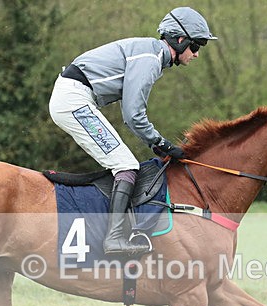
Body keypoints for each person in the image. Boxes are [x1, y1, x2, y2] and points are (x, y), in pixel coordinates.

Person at [49, 7, 217, 255]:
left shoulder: (150, 54)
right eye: (196, 45)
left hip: (75, 97)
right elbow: (133, 115)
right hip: (73, 100)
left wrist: (156, 144)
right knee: (126, 165)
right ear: (180, 41)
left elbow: (132, 115)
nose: (197, 54)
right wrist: (160, 142)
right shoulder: (149, 58)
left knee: (124, 163)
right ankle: (114, 238)